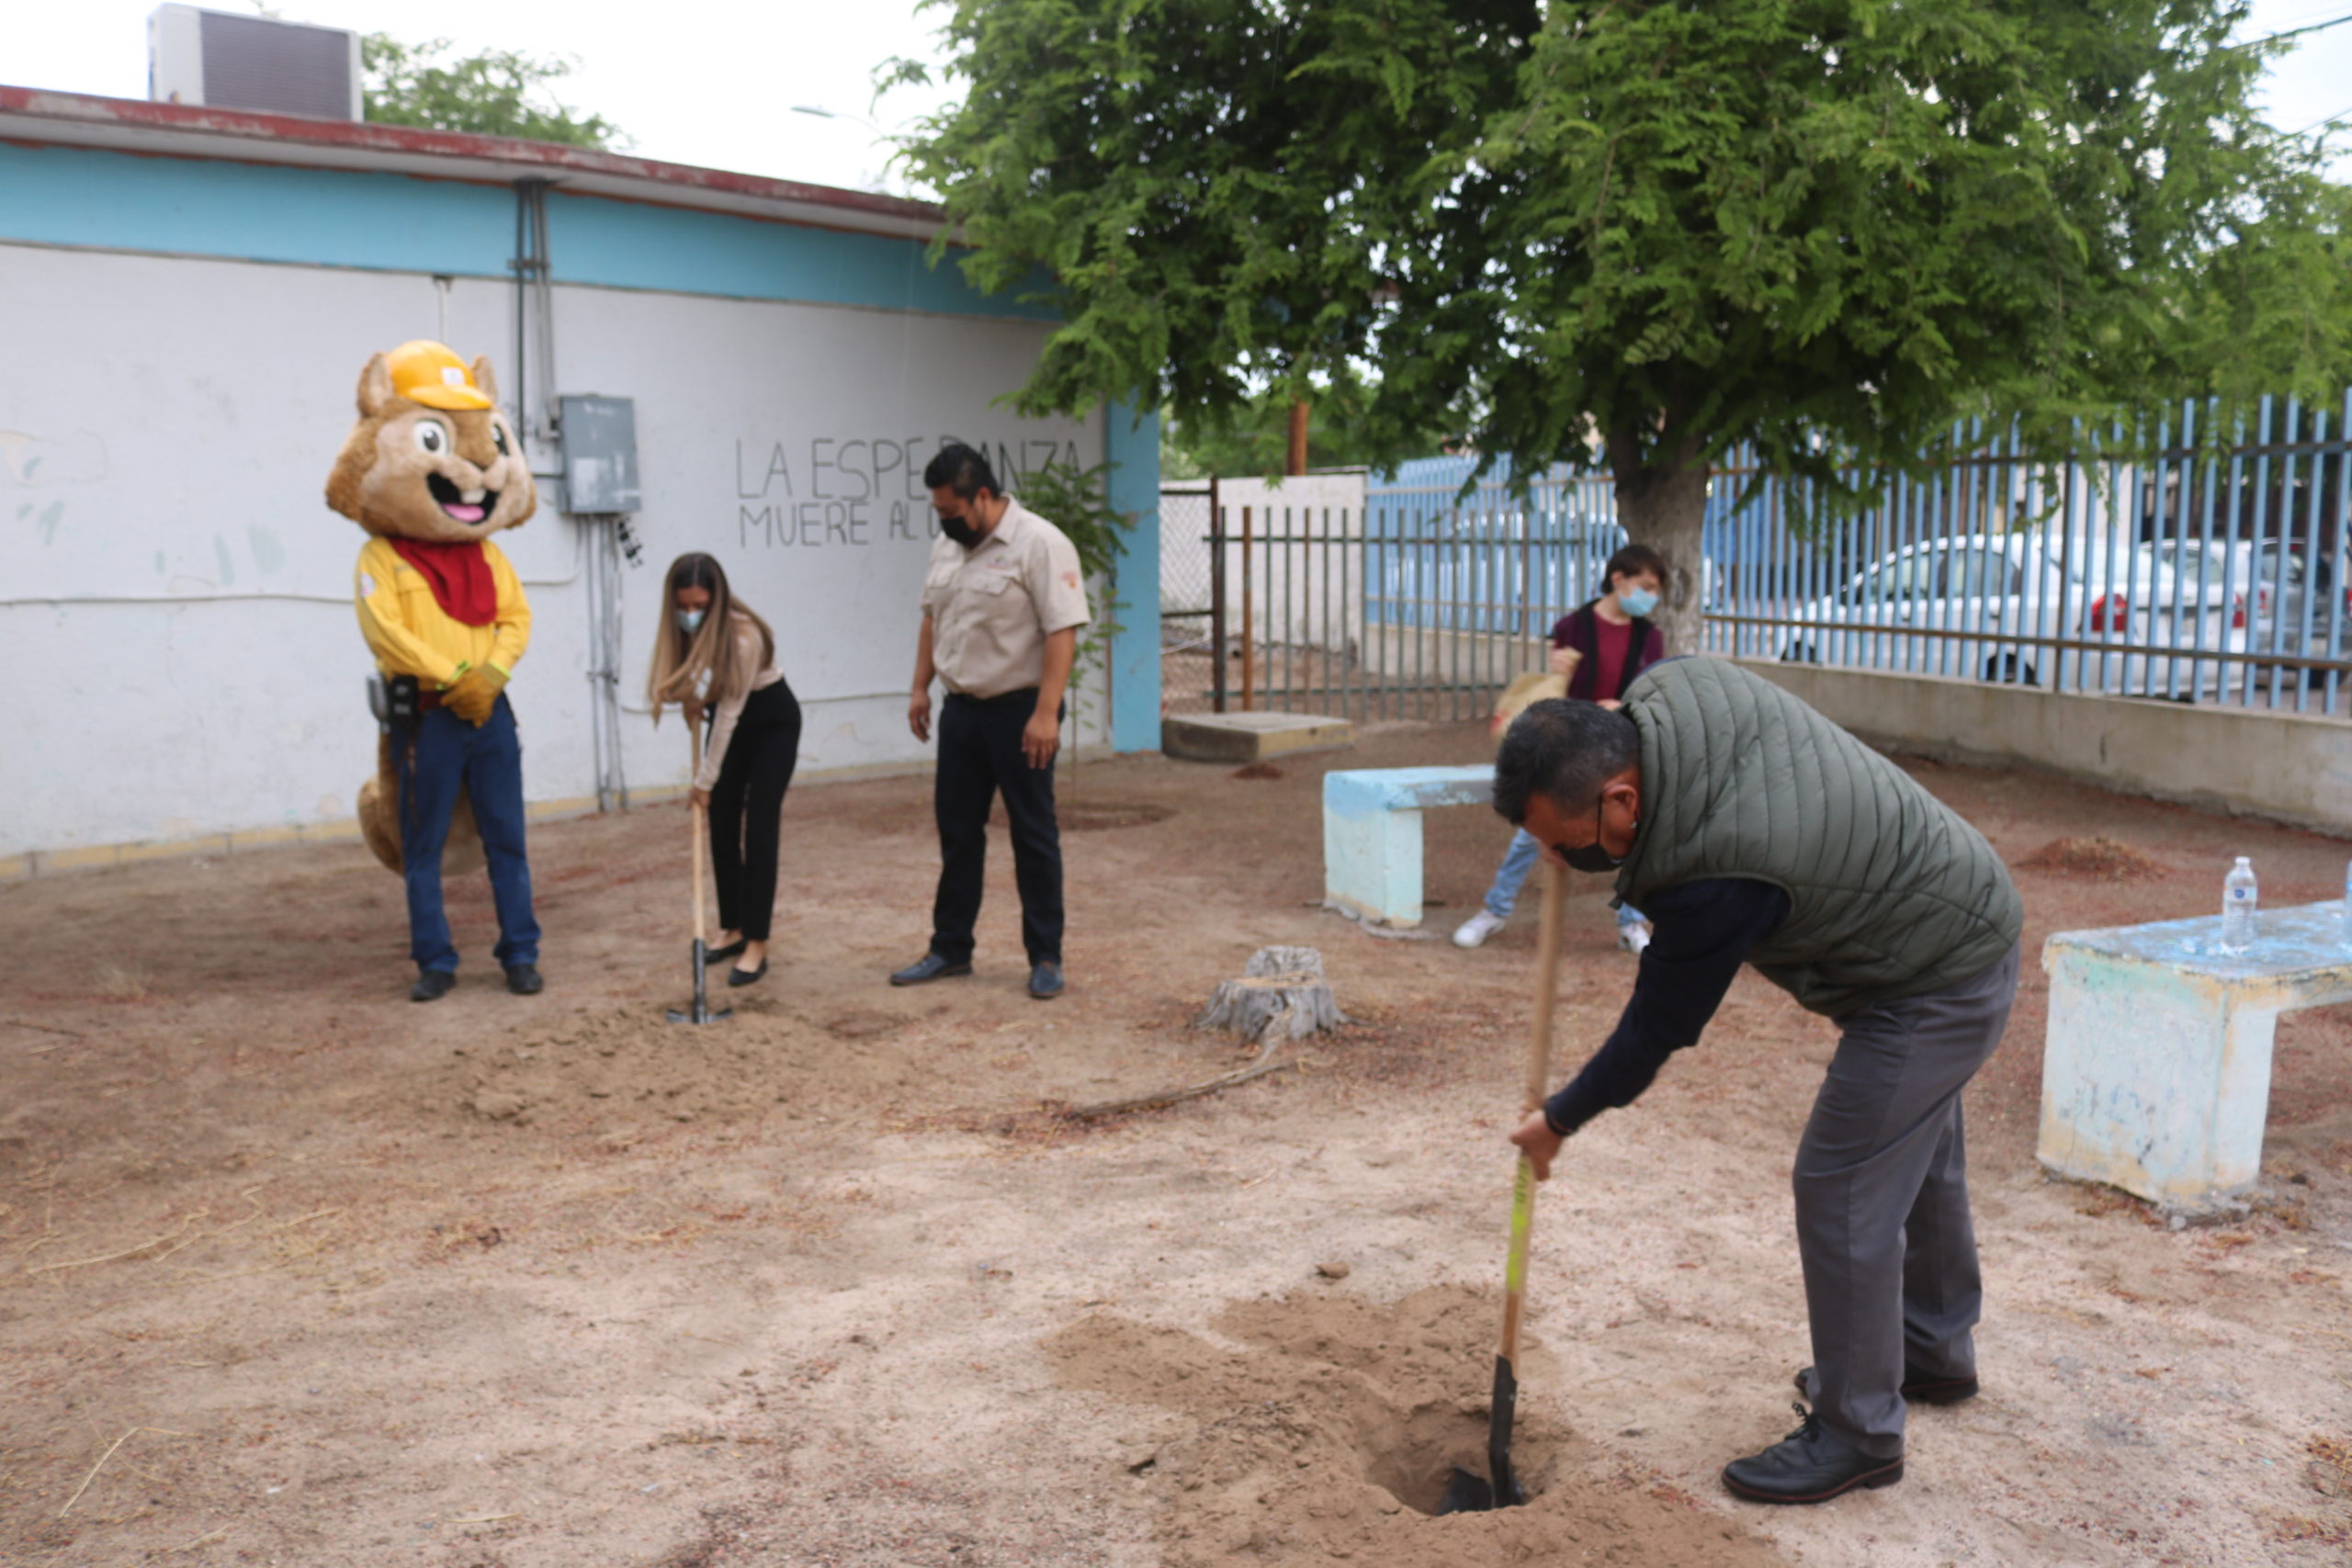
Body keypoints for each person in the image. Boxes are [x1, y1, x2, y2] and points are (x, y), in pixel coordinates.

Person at [1494, 660, 2023, 1505]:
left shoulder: (1716, 873)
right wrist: (1550, 783)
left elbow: (1656, 1029)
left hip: (1935, 974)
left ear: (1623, 800)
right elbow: (1585, 731)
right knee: (1916, 1150)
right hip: (1948, 905)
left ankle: (1859, 1432)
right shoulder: (1670, 691)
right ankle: (1931, 1348)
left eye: (1568, 839)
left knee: (1842, 1180)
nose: (1560, 856)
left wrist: (1560, 1118)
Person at [891, 444, 1090, 1000]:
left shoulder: (1041, 544)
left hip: (1021, 712)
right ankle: (951, 948)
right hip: (961, 712)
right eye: (938, 512)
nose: (944, 521)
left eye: (951, 511)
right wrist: (918, 687)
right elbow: (932, 618)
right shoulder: (947, 546)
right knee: (957, 833)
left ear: (982, 496)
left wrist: (1046, 713)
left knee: (1032, 833)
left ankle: (1045, 956)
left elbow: (1063, 630)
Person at [1453, 544, 1668, 953]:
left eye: (1654, 590)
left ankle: (1631, 922)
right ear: (1618, 578)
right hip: (1571, 750)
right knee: (1534, 831)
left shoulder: (1649, 637)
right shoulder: (1573, 627)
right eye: (1645, 585)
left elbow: (1652, 692)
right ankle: (1495, 910)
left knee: (1634, 834)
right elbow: (1557, 698)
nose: (1650, 597)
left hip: (1623, 752)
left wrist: (1624, 708)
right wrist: (1560, 677)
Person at [646, 554, 800, 988]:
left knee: (759, 830)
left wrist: (703, 781)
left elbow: (731, 713)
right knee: (721, 822)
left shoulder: (745, 636)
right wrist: (694, 698)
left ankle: (757, 941)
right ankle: (732, 926)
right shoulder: (684, 624)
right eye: (684, 606)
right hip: (730, 709)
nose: (690, 615)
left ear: (717, 599)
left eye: (699, 606)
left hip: (771, 721)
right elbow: (711, 689)